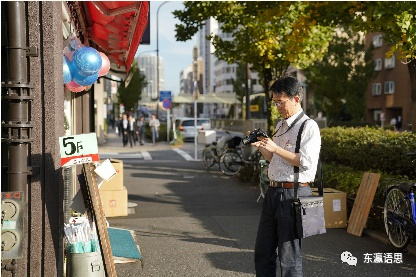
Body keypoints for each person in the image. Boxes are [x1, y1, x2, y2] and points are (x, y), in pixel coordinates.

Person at [251, 75, 321, 277]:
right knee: (263, 252)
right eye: (275, 103)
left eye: (280, 102)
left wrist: (275, 149)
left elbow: (306, 162)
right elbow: (275, 158)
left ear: (296, 99)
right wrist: (262, 148)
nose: (277, 107)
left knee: (289, 257)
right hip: (274, 192)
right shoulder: (281, 125)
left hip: (294, 194)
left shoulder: (309, 126)